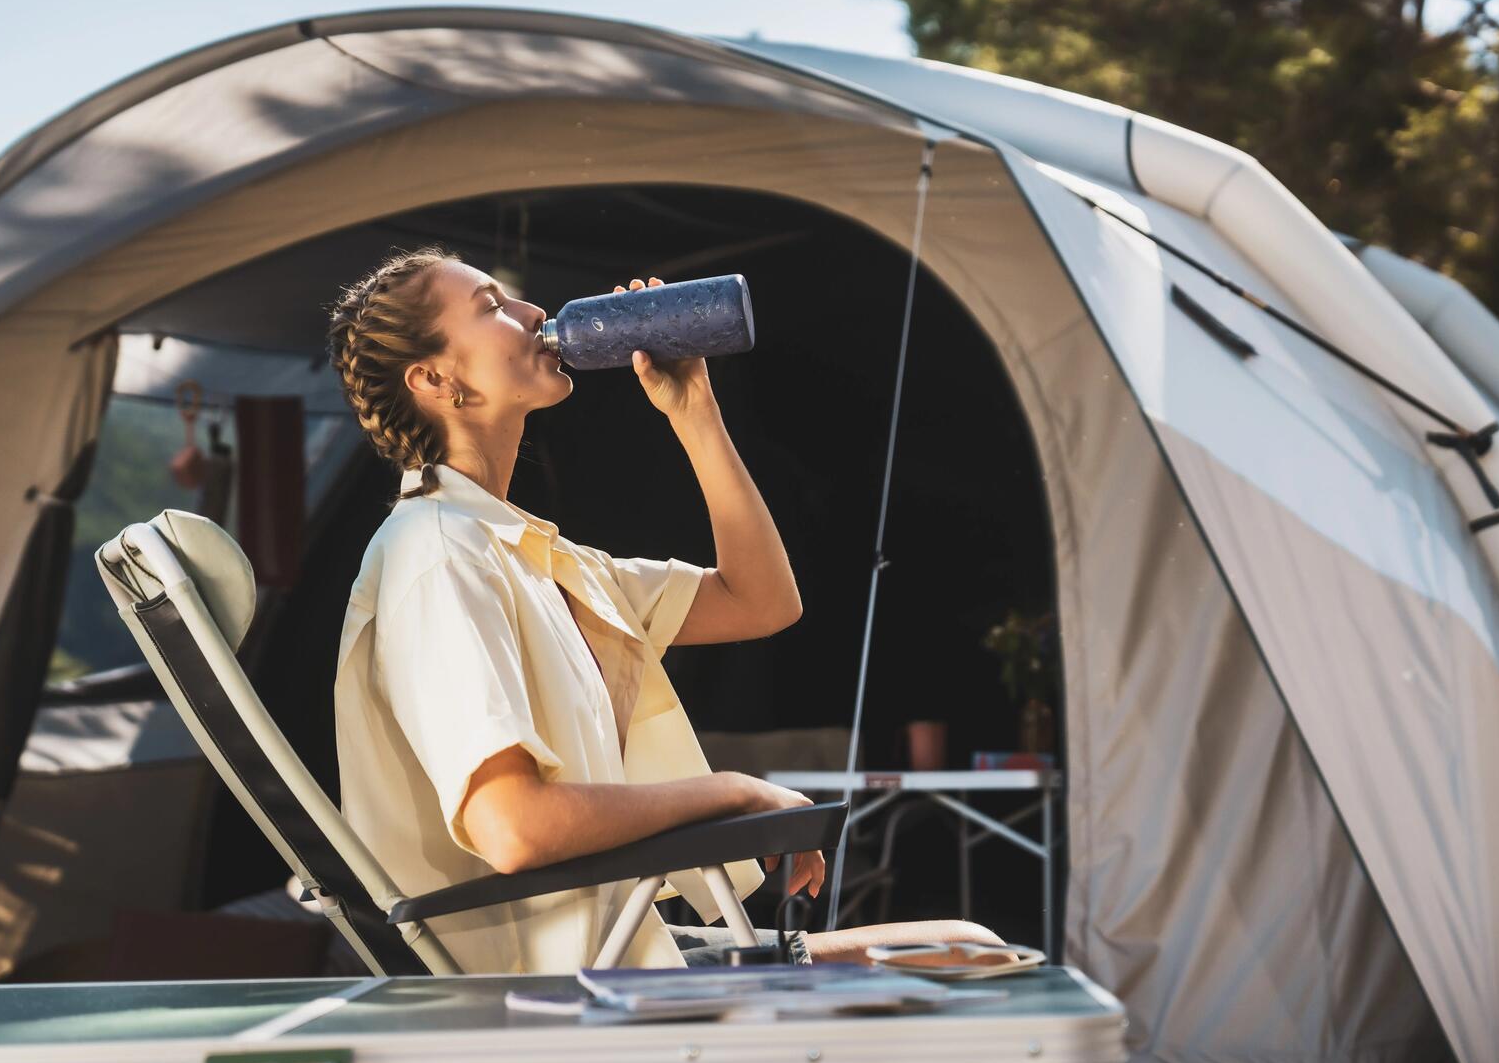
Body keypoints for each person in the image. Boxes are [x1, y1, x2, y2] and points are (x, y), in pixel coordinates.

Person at [327, 245, 1006, 974]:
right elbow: (512, 826)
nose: (532, 312)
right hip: (554, 989)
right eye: (493, 306)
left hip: (626, 953)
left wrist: (694, 412)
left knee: (970, 949)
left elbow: (761, 600)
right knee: (966, 964)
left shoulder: (532, 555)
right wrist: (729, 794)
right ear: (434, 379)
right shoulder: (439, 554)